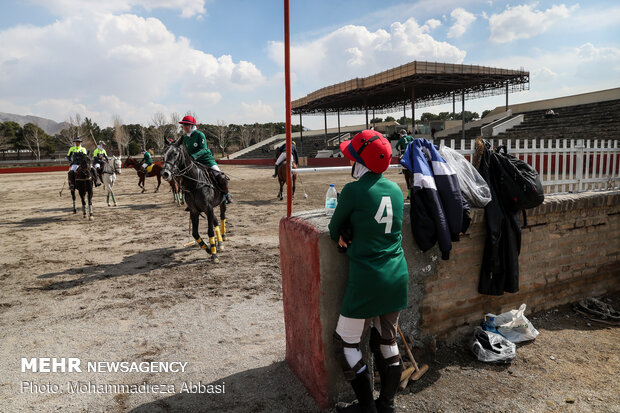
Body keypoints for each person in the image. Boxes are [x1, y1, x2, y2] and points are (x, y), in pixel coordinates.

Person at [328, 130, 409, 413]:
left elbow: (333, 228)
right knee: (387, 341)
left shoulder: (353, 190)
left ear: (359, 162)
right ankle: (386, 404)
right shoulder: (397, 190)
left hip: (367, 280)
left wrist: (343, 234)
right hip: (397, 276)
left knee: (346, 346)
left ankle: (367, 408)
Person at [179, 115, 233, 204]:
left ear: (192, 126)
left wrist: (194, 156)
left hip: (207, 160)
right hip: (195, 162)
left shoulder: (200, 135)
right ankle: (191, 200)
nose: (184, 127)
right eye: (183, 125)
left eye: (186, 125)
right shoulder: (185, 138)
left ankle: (226, 195)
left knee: (220, 176)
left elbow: (204, 149)